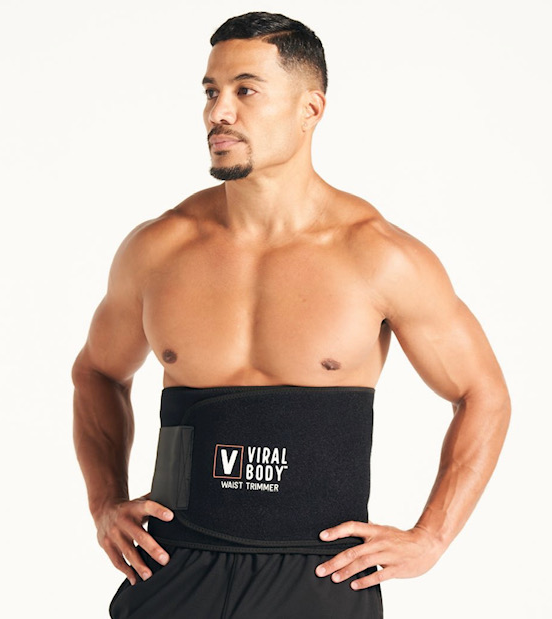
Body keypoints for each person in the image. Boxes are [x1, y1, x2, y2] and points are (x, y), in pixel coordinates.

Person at [71, 11, 511, 619]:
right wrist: (105, 504)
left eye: (245, 90)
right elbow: (97, 372)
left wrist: (431, 536)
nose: (219, 112)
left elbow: (482, 393)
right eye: (211, 91)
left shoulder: (379, 256)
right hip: (173, 567)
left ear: (311, 109)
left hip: (319, 574)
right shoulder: (158, 250)